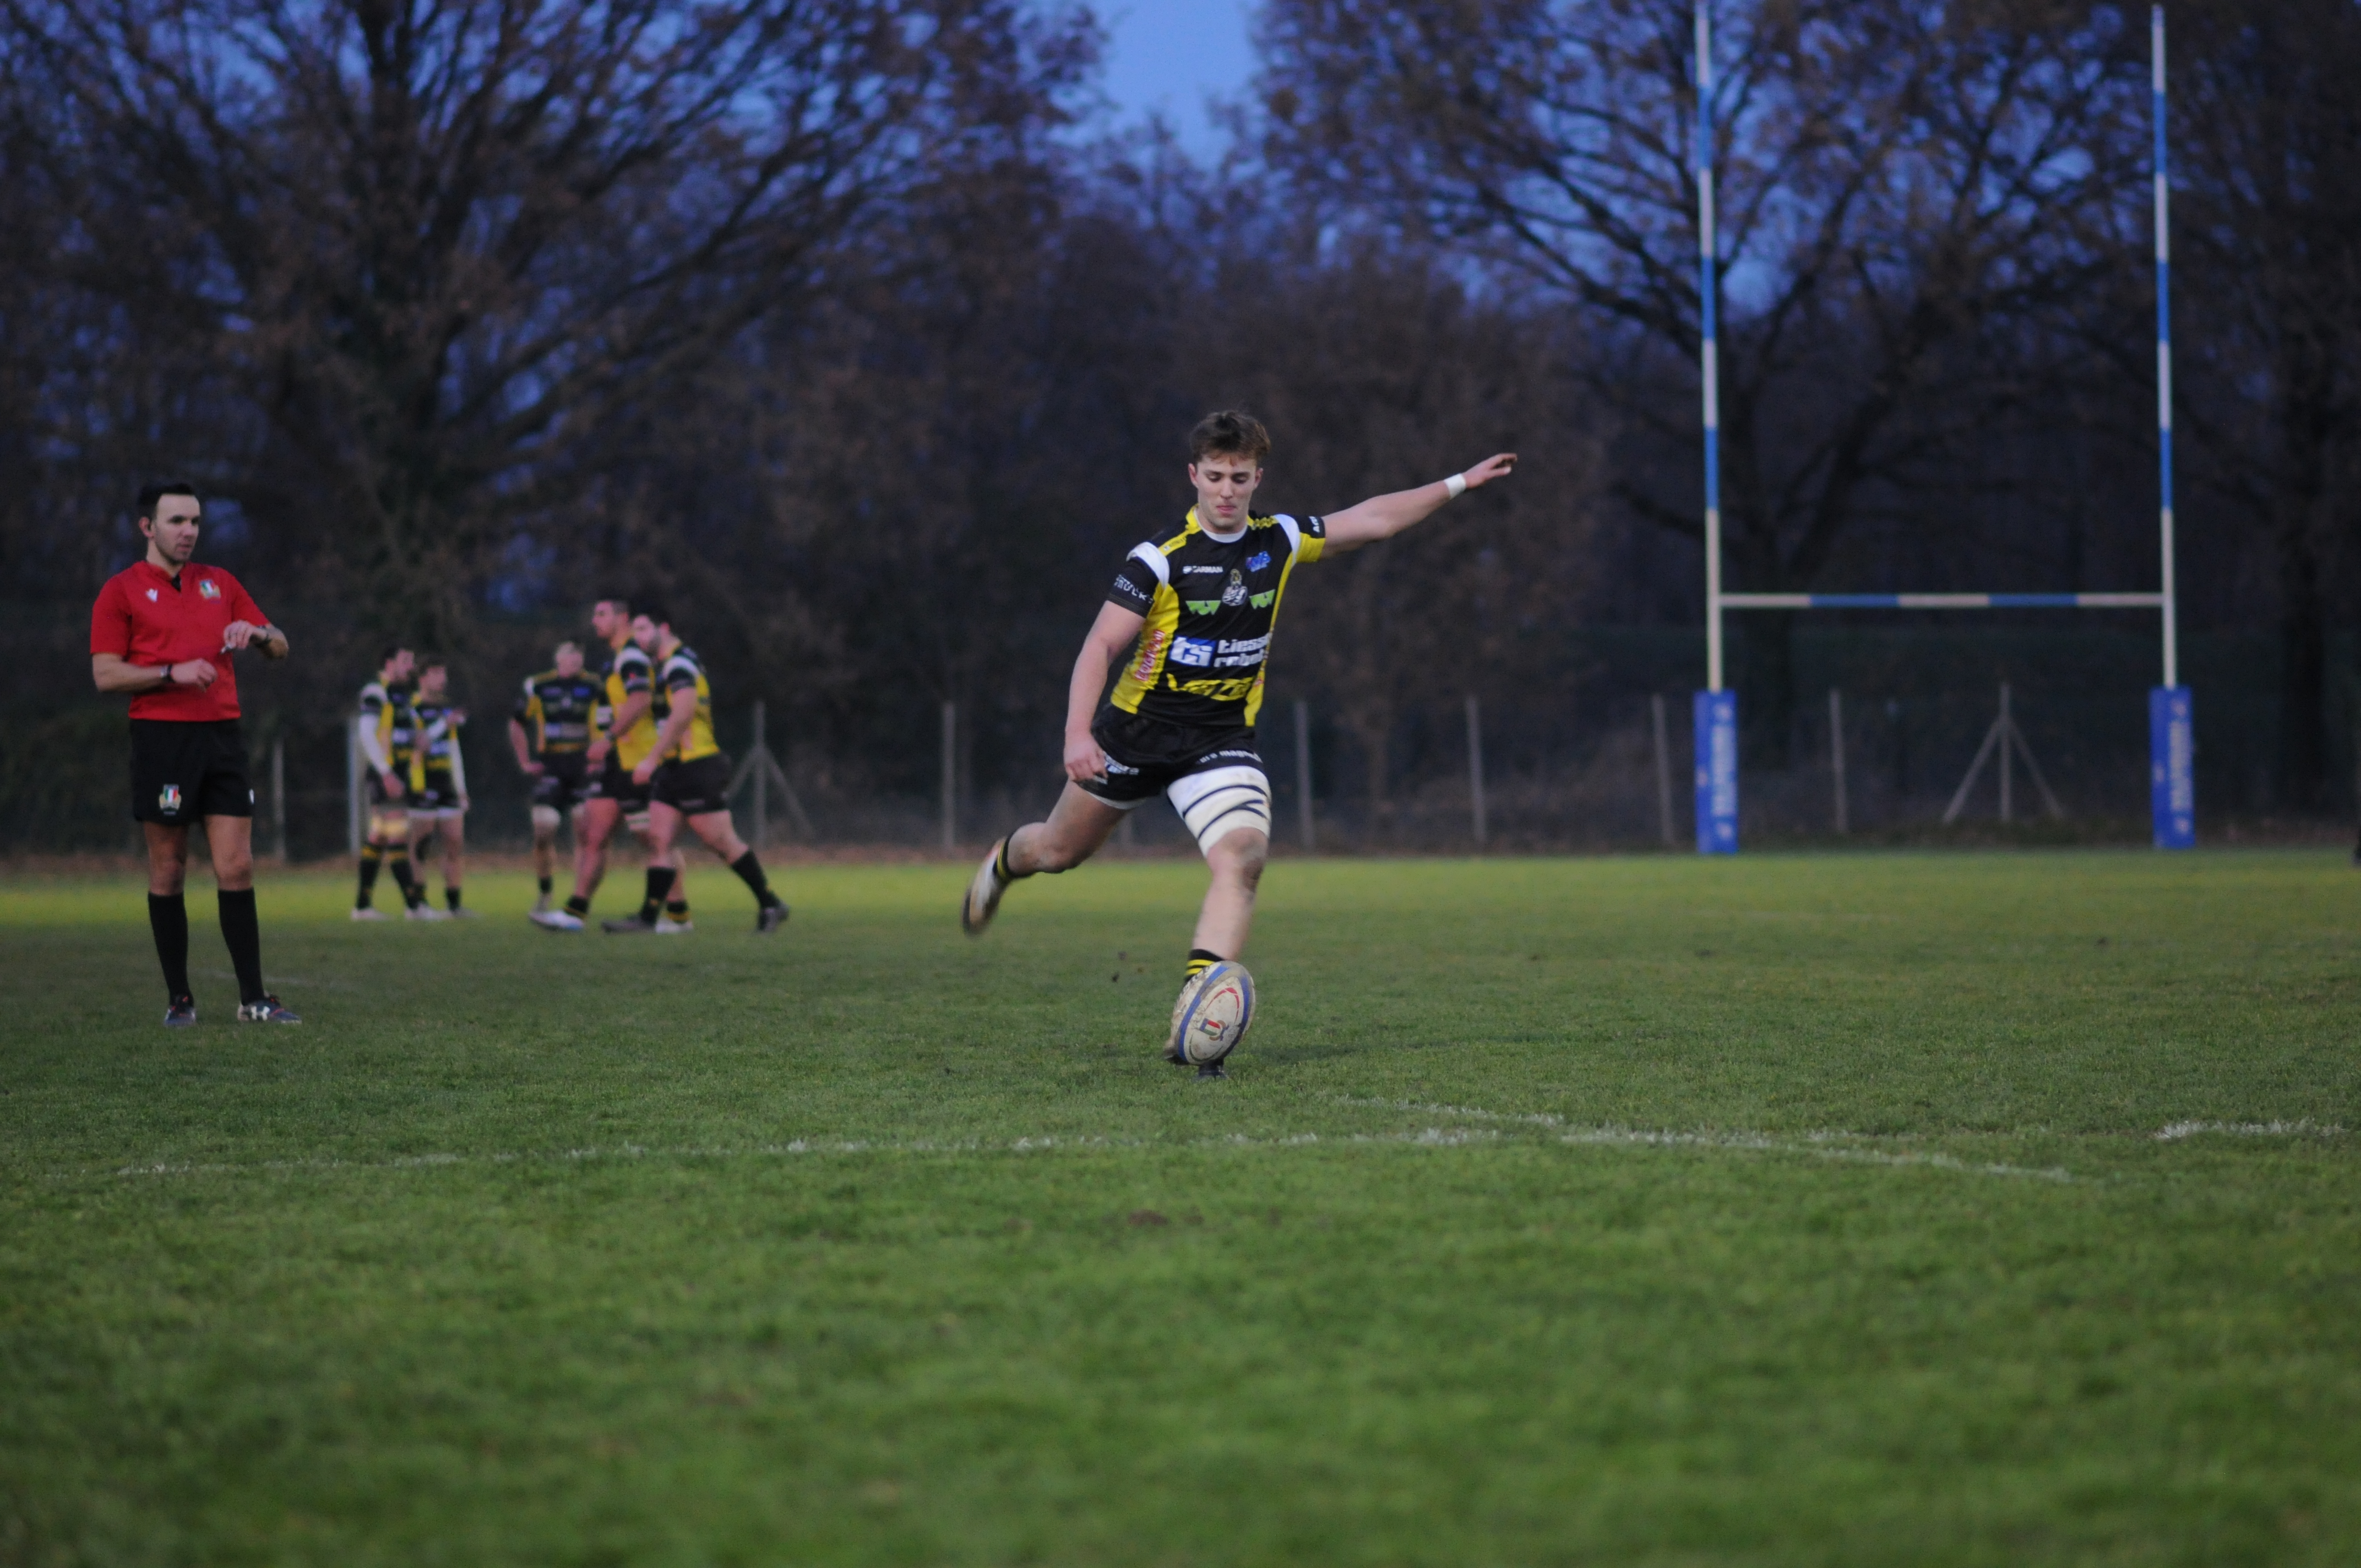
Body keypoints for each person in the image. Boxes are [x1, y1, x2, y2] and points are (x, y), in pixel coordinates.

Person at [960, 411, 1515, 1072]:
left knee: (1244, 856)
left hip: (1219, 739)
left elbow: (1373, 520)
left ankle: (1202, 1012)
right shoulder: (1158, 559)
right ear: (1193, 475)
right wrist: (1077, 731)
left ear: (1258, 479)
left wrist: (1458, 482)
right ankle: (1002, 863)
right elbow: (1100, 645)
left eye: (1240, 478)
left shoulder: (1276, 540)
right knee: (1055, 851)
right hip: (1132, 737)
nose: (1226, 490)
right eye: (1215, 476)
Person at [88, 479, 301, 1026]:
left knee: (237, 864)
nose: (189, 532)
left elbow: (280, 644)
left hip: (223, 737)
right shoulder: (121, 591)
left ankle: (254, 998)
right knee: (170, 868)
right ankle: (179, 998)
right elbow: (105, 673)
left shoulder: (220, 582)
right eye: (177, 521)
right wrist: (169, 673)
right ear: (147, 527)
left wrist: (254, 632)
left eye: (196, 522)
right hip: (163, 741)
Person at [603, 602, 788, 934]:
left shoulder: (679, 664)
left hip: (698, 765)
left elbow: (683, 714)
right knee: (659, 839)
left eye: (645, 630)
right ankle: (648, 918)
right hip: (674, 768)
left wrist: (650, 757)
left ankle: (770, 902)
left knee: (721, 842)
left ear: (665, 629)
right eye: (636, 631)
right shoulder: (662, 667)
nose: (639, 637)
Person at [532, 595, 689, 931]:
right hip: (616, 764)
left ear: (622, 618)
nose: (594, 621)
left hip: (638, 763)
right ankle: (574, 913)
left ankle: (678, 916)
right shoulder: (614, 660)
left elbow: (641, 699)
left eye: (601, 614)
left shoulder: (631, 655)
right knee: (594, 834)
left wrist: (608, 738)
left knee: (654, 840)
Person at [509, 641, 602, 914]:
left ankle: (577, 898)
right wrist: (525, 761)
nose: (575, 664)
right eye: (570, 660)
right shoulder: (538, 686)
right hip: (551, 767)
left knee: (584, 833)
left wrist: (599, 758)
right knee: (543, 829)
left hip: (582, 767)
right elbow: (517, 723)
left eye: (579, 660)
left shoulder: (594, 685)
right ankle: (545, 892)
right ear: (558, 660)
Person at [353, 645, 437, 919]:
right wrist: (386, 772)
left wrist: (422, 738)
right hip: (385, 775)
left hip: (396, 774)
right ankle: (415, 907)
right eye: (406, 660)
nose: (411, 666)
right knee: (399, 834)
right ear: (389, 664)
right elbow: (366, 734)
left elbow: (409, 734)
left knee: (378, 837)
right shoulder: (376, 691)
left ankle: (362, 907)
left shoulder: (402, 698)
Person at [406, 659, 474, 916]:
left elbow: (454, 749)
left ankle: (454, 905)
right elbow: (419, 743)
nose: (442, 679)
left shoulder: (447, 709)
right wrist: (443, 725)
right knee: (420, 845)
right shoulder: (411, 708)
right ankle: (418, 904)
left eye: (444, 673)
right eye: (436, 674)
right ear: (422, 678)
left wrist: (462, 787)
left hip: (447, 783)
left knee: (455, 843)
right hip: (421, 783)